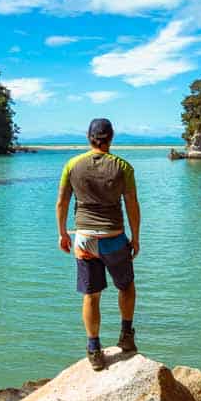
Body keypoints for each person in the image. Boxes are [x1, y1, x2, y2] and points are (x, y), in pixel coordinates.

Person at [55, 118, 141, 370]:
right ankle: (126, 337)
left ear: (88, 137)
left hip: (84, 240)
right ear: (111, 137)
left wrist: (62, 233)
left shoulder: (72, 165)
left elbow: (61, 203)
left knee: (91, 296)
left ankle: (94, 349)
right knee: (126, 287)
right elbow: (132, 205)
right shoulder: (123, 166)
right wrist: (135, 237)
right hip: (113, 238)